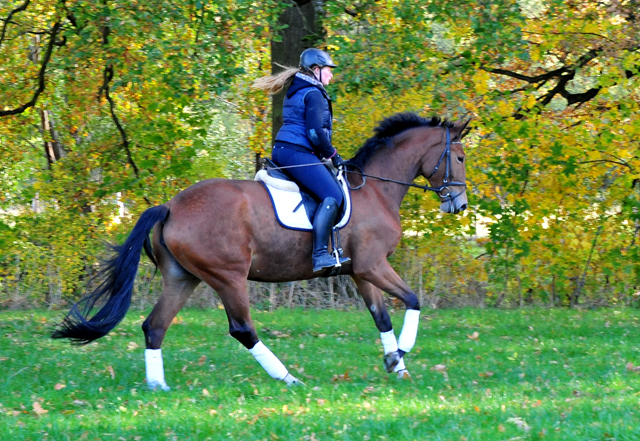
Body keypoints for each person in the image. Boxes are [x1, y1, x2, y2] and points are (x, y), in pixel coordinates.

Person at [253, 48, 350, 273]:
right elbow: (316, 133)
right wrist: (333, 155)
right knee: (333, 195)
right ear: (316, 70)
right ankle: (319, 255)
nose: (331, 76)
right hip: (298, 153)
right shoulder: (314, 93)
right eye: (328, 70)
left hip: (284, 150)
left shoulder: (298, 90)